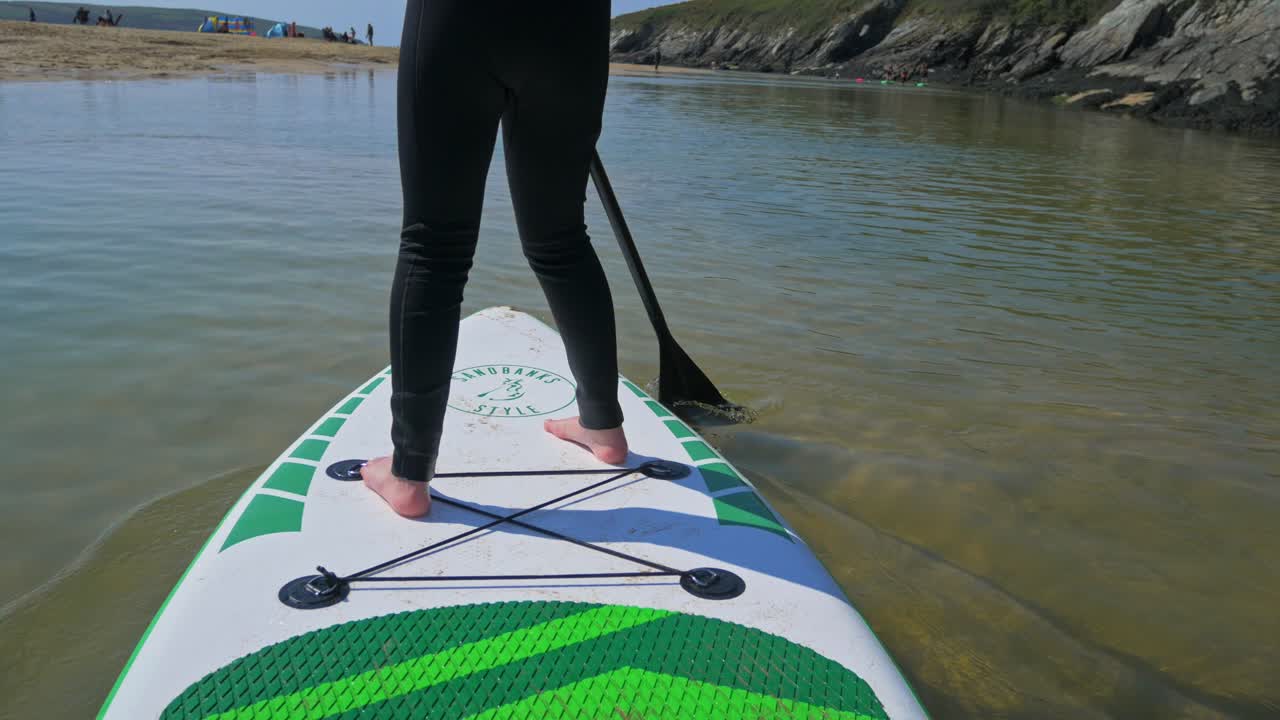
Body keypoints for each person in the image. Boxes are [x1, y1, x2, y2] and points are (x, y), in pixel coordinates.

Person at [359, 0, 626, 517]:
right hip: (574, 23)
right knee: (561, 239)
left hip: (462, 18)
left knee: (433, 245)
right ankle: (602, 424)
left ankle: (408, 473)